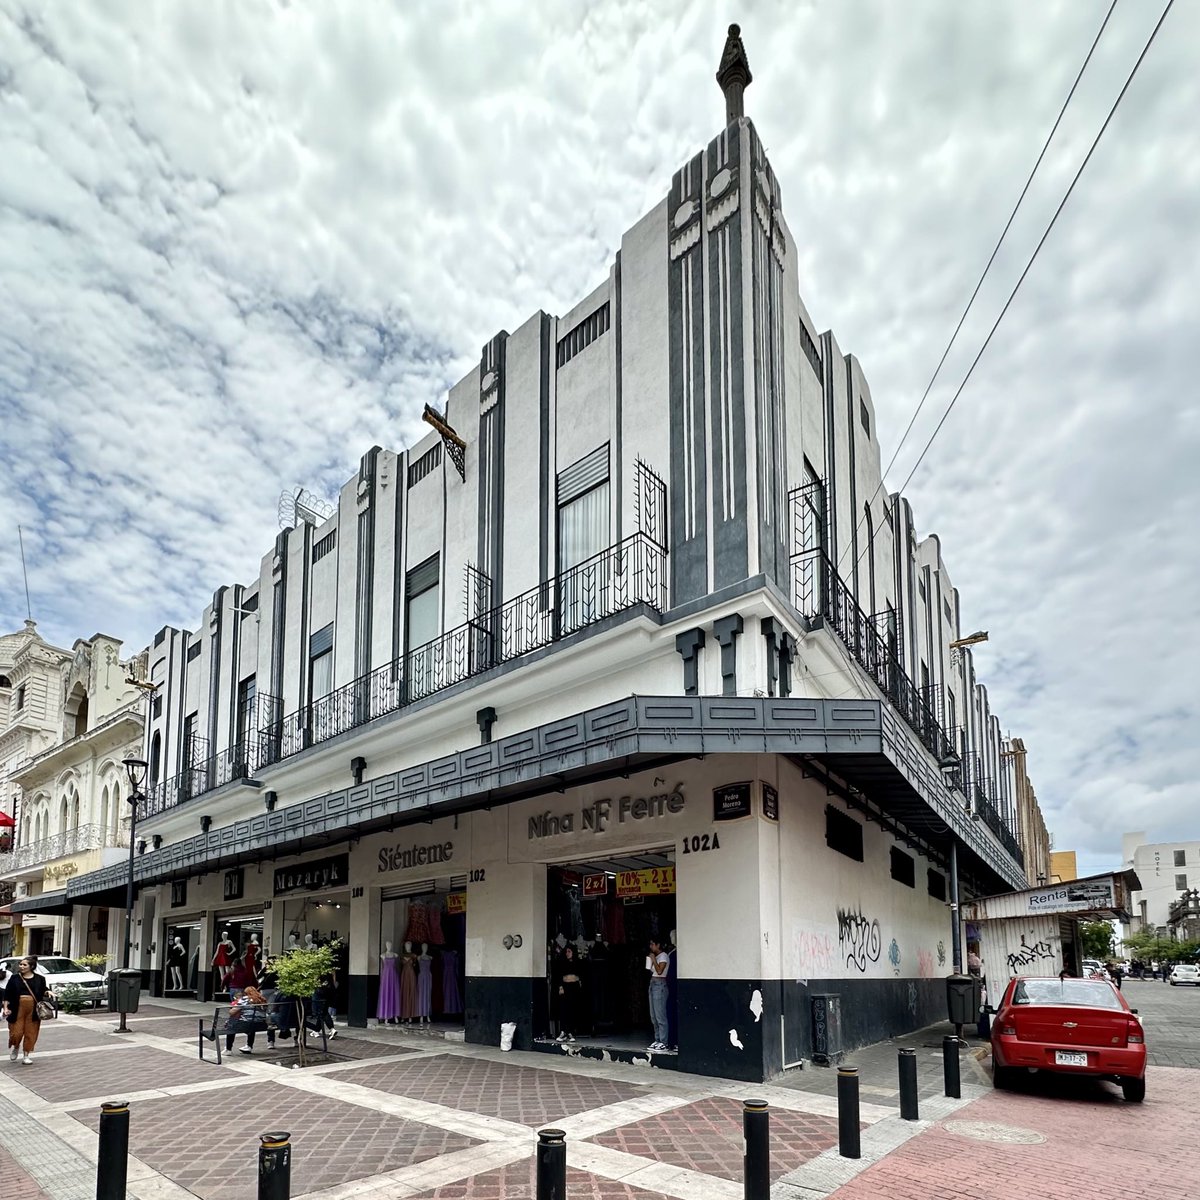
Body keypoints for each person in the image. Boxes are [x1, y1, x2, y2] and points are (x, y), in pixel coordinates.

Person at [4, 957, 51, 1064]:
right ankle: (16, 1046)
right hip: (17, 1008)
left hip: (33, 1009)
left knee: (31, 1032)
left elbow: (43, 989)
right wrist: (6, 1007)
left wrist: (48, 992)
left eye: (25, 965)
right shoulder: (14, 978)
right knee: (16, 1033)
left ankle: (26, 1055)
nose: (21, 966)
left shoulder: (40, 979)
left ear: (32, 967)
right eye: (21, 964)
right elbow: (7, 993)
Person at [554, 945, 582, 1043]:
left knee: (572, 1009)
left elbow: (580, 976)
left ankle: (570, 1031)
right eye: (566, 952)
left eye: (569, 951)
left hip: (574, 987)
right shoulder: (563, 963)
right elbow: (559, 976)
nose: (567, 954)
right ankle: (563, 1031)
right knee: (564, 1009)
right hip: (565, 987)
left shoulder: (577, 963)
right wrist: (561, 987)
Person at [646, 938, 669, 1051]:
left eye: (652, 944)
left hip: (660, 985)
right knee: (653, 1015)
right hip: (653, 984)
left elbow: (660, 971)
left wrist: (654, 959)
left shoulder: (663, 956)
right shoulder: (656, 956)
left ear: (658, 945)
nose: (651, 946)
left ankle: (664, 1041)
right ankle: (657, 1039)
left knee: (660, 1015)